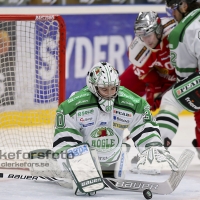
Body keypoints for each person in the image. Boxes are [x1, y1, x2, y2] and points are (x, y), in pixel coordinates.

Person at [50, 61, 178, 193]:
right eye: (104, 89)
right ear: (93, 87)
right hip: (86, 163)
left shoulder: (133, 103)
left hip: (114, 161)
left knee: (118, 170)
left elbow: (144, 126)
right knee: (71, 178)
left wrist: (152, 147)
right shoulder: (73, 106)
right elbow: (65, 141)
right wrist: (76, 166)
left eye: (113, 88)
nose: (110, 93)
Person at [120, 11, 177, 146]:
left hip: (180, 77)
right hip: (156, 76)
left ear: (158, 30)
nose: (146, 40)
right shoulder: (139, 50)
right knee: (116, 90)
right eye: (141, 36)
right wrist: (154, 88)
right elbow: (145, 74)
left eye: (148, 35)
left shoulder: (175, 35)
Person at [156, 0, 200, 156]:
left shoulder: (181, 31)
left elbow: (185, 77)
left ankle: (154, 155)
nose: (173, 15)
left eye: (173, 9)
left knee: (170, 100)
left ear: (184, 6)